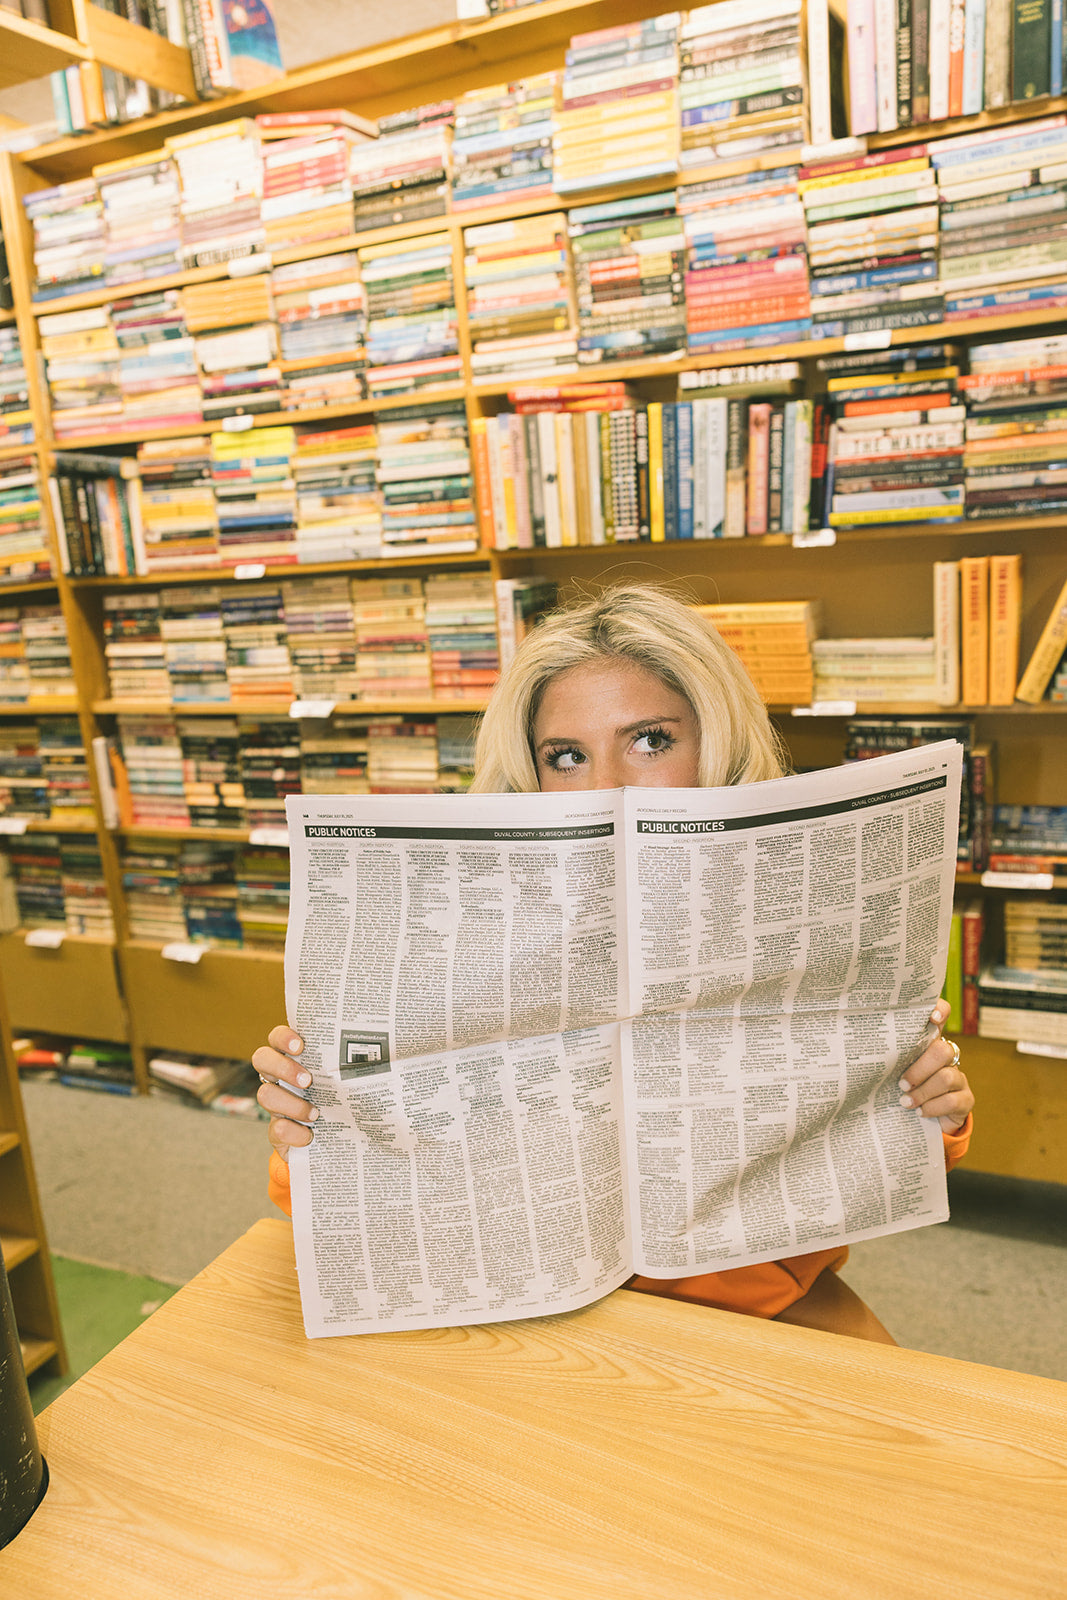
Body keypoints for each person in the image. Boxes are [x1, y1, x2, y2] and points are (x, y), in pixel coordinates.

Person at [256, 584, 974, 1344]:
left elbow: (863, 1162)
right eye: (565, 757)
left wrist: (931, 1108)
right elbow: (342, 1216)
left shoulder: (811, 907)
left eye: (650, 741)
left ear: (716, 740)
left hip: (747, 1322)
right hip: (520, 1315)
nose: (605, 787)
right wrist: (313, 1127)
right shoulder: (452, 933)